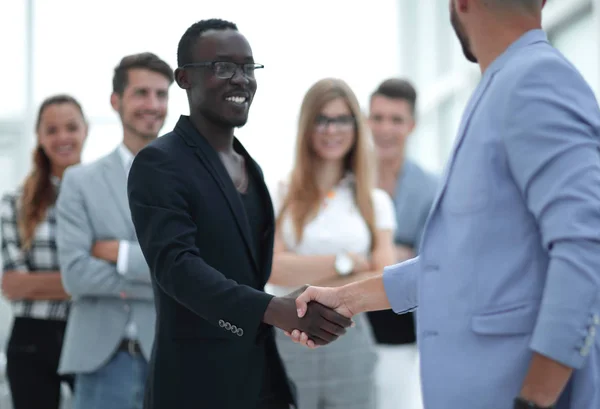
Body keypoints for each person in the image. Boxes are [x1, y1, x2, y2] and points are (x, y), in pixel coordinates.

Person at [288, 1, 600, 408]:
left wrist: (536, 399)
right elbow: (458, 260)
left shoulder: (536, 78)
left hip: (515, 394)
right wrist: (347, 299)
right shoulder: (499, 85)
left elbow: (586, 244)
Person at [126, 19, 352, 409]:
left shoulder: (252, 168)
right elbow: (177, 268)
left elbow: (249, 277)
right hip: (194, 386)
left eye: (248, 68)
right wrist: (271, 309)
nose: (240, 79)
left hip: (260, 380)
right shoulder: (159, 163)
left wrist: (288, 306)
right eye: (222, 67)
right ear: (184, 79)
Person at [266, 78, 396, 409]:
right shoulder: (280, 194)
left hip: (352, 339)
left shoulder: (374, 201)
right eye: (322, 119)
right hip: (290, 338)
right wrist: (346, 262)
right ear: (307, 127)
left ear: (355, 125)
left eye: (341, 119)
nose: (331, 129)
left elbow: (384, 277)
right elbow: (273, 268)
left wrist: (304, 275)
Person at [55, 52, 174, 409]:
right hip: (101, 364)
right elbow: (75, 276)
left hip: (171, 358)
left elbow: (200, 268)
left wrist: (119, 255)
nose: (152, 104)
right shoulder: (80, 181)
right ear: (116, 101)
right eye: (141, 93)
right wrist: (166, 281)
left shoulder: (191, 181)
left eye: (161, 94)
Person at [0, 94, 87, 409]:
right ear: (39, 137)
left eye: (71, 127)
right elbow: (13, 285)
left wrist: (41, 284)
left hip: (91, 333)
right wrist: (91, 280)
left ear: (85, 131)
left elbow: (118, 276)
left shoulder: (104, 198)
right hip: (30, 341)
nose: (62, 137)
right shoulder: (14, 203)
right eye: (52, 130)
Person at [367, 78, 436, 409]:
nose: (385, 129)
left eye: (396, 120)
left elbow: (432, 263)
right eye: (377, 118)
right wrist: (397, 252)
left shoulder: (431, 189)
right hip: (349, 326)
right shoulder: (346, 183)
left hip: (402, 333)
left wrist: (363, 254)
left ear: (412, 125)